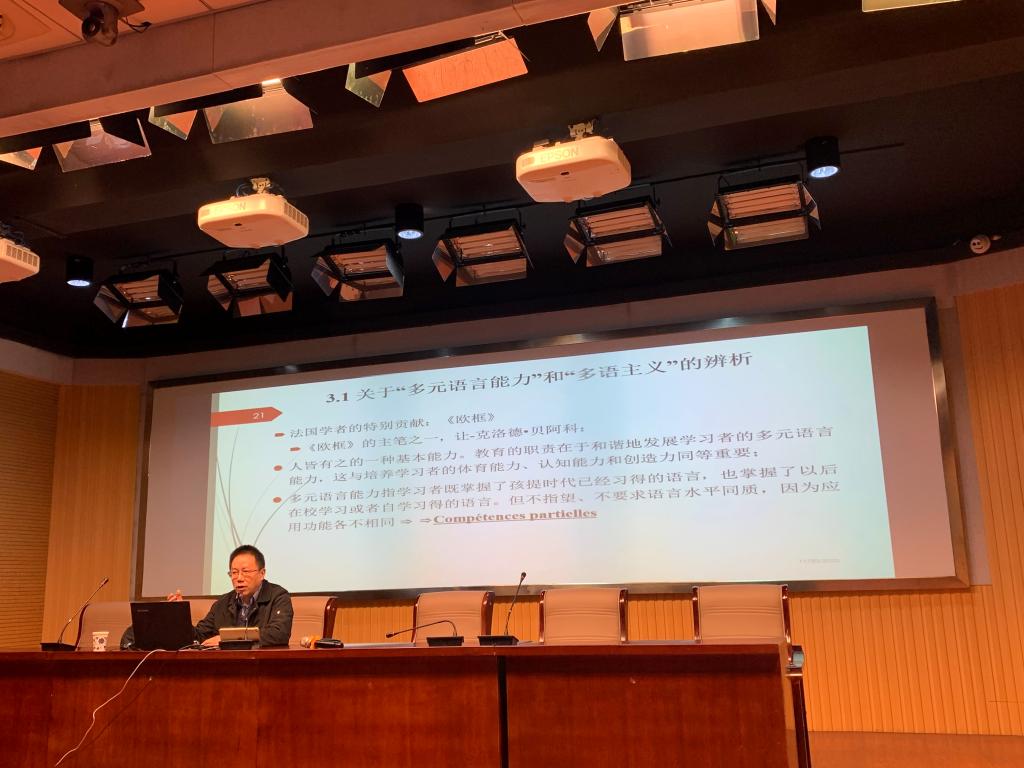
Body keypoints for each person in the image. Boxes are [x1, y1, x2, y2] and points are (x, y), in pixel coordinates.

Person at [168, 544, 293, 647]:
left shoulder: (278, 596)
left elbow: (279, 634)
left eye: (245, 571)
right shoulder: (222, 603)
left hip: (262, 664)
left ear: (262, 573)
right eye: (234, 572)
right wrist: (180, 615)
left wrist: (227, 640)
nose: (239, 578)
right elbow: (198, 636)